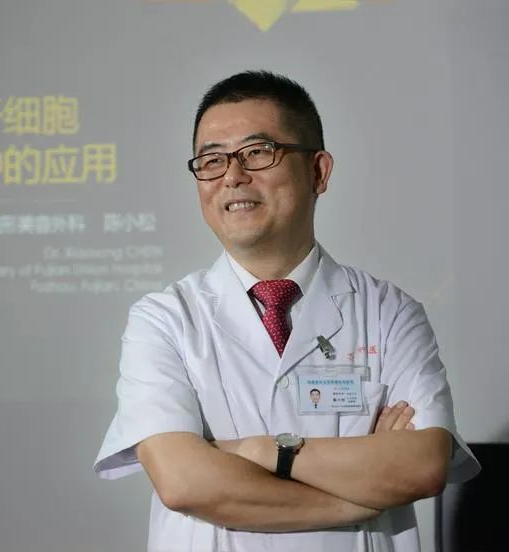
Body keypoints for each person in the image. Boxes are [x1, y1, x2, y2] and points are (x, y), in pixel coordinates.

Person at [93, 70, 480, 552]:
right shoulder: (165, 319)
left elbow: (420, 467)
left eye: (258, 152)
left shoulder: (389, 312)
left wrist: (260, 451)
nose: (232, 176)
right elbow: (184, 483)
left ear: (318, 172)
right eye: (212, 160)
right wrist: (359, 502)